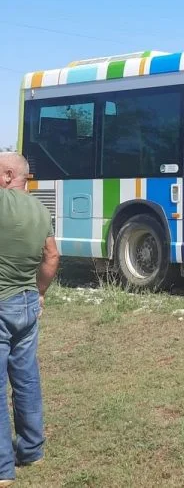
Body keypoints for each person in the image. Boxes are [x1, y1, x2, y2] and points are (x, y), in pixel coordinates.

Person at [0, 153, 60, 485]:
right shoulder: (40, 209)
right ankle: (32, 450)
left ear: (9, 175)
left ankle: (2, 468)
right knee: (25, 379)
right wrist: (39, 292)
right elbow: (52, 256)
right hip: (26, 304)